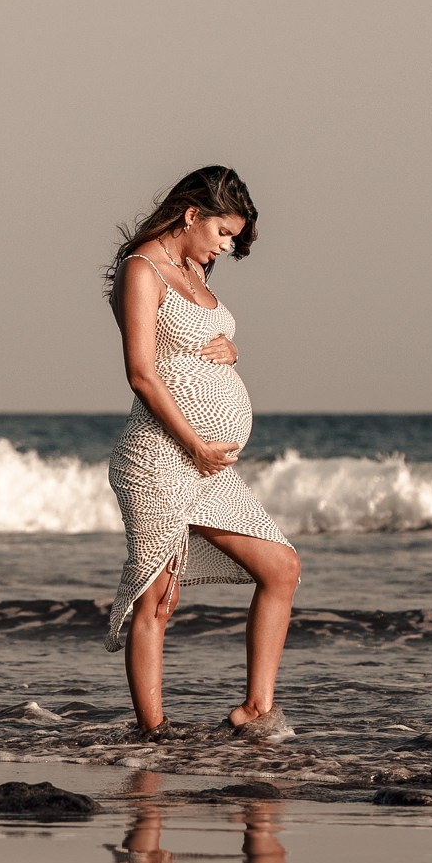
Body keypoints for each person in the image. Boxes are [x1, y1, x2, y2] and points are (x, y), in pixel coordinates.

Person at [103, 165, 300, 740]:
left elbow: (193, 343)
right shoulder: (142, 270)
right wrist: (195, 443)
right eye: (222, 233)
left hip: (208, 468)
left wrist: (231, 350)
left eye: (233, 238)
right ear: (193, 215)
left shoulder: (192, 266)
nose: (226, 246)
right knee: (159, 598)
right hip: (161, 456)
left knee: (282, 567)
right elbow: (142, 373)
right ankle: (154, 734)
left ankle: (257, 710)